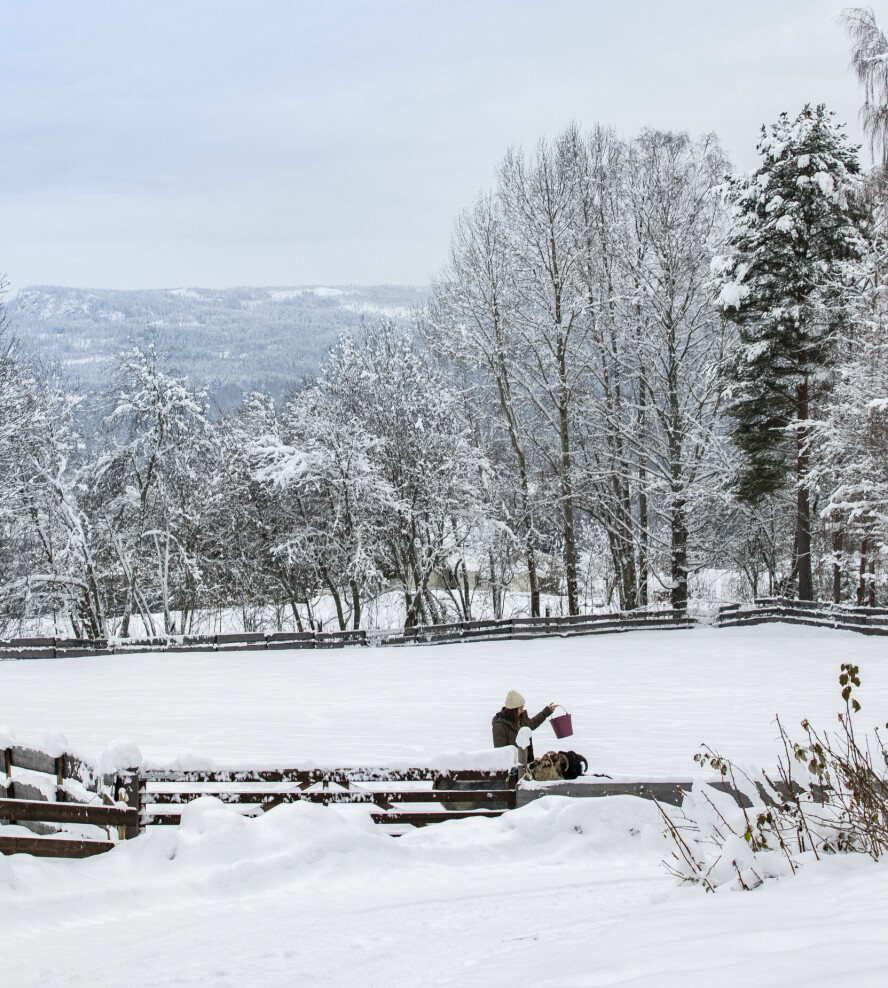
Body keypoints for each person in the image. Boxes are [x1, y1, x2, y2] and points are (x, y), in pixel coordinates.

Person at [491, 690, 556, 762]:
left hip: (526, 763)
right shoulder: (500, 726)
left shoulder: (521, 718)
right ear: (513, 709)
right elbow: (500, 752)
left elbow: (533, 724)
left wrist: (546, 712)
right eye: (520, 708)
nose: (522, 711)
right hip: (513, 767)